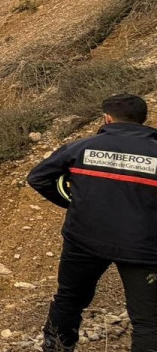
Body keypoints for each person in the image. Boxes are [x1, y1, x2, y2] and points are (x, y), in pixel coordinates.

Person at [27, 93, 157, 352]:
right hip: (143, 246)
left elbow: (38, 177)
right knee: (147, 320)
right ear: (143, 119)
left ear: (107, 118)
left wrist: (74, 204)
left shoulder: (81, 147)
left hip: (84, 240)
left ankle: (57, 347)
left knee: (69, 300)